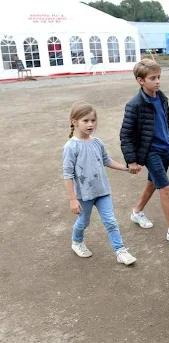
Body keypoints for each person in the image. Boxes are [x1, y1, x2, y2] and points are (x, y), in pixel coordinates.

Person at [120, 59, 169, 246]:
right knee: (165, 188)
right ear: (140, 80)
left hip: (165, 149)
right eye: (153, 78)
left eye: (159, 77)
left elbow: (164, 122)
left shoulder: (162, 98)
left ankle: (136, 212)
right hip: (150, 152)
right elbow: (126, 134)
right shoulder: (134, 105)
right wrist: (131, 161)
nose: (158, 81)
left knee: (153, 184)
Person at [63, 102, 137, 266]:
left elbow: (106, 161)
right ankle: (77, 242)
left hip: (102, 191)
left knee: (111, 222)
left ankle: (120, 251)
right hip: (84, 195)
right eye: (86, 121)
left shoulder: (97, 142)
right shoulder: (71, 147)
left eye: (93, 120)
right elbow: (67, 174)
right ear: (75, 122)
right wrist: (72, 199)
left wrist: (126, 168)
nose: (90, 124)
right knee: (84, 222)